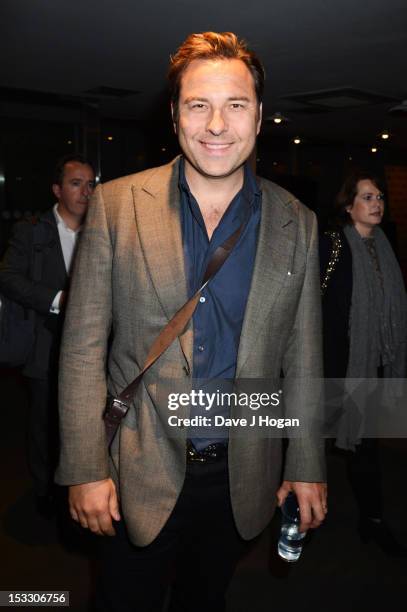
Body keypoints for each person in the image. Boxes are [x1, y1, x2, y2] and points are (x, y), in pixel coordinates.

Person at [56, 32, 327, 611]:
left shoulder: (297, 222)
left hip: (241, 471)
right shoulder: (116, 205)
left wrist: (306, 464)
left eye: (236, 105)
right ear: (175, 115)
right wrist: (83, 468)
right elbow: (80, 349)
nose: (216, 124)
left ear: (259, 116)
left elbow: (303, 357)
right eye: (198, 105)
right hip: (135, 468)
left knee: (206, 600)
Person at [0, 154, 95, 516]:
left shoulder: (103, 228)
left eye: (90, 184)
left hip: (90, 346)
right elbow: (8, 276)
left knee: (86, 418)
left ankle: (82, 484)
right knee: (45, 421)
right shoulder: (32, 230)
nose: (85, 192)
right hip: (45, 341)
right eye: (76, 183)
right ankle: (45, 496)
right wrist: (57, 299)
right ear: (57, 190)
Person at [319, 171, 407, 556]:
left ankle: (372, 519)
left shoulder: (386, 244)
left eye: (380, 197)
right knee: (304, 446)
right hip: (334, 366)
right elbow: (312, 303)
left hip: (370, 367)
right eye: (368, 197)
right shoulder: (333, 244)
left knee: (363, 448)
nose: (377, 204)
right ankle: (294, 516)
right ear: (348, 204)